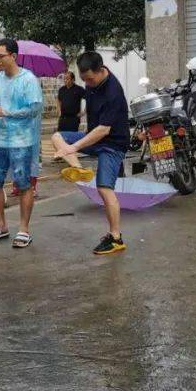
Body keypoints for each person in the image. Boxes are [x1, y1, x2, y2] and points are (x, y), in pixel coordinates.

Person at [51, 51, 131, 255]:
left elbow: (104, 129)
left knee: (104, 188)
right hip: (93, 137)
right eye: (84, 79)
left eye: (90, 79)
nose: (87, 82)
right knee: (57, 137)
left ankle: (115, 237)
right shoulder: (91, 83)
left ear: (101, 70)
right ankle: (79, 170)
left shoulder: (114, 91)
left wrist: (74, 147)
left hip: (112, 144)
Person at [0, 38, 43, 249]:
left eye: (0, 56)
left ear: (13, 56)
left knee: (24, 184)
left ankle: (24, 229)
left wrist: (7, 113)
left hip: (22, 140)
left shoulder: (28, 80)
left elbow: (35, 109)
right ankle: (1, 225)